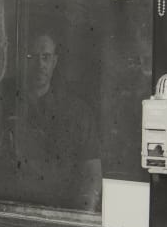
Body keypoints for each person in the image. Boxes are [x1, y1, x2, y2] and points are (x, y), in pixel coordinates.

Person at [7, 31, 102, 211]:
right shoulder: (7, 106)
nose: (40, 64)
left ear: (55, 62)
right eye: (32, 57)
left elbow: (92, 172)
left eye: (46, 57)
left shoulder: (78, 111)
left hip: (63, 211)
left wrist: (84, 217)